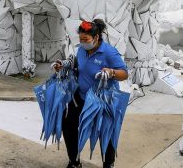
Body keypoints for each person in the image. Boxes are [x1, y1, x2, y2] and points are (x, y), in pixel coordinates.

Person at [54, 19, 128, 168]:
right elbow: (78, 64)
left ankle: (108, 164)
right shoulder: (82, 49)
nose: (82, 42)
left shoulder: (109, 52)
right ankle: (74, 162)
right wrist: (64, 65)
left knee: (105, 131)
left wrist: (111, 72)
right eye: (80, 39)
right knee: (68, 125)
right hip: (80, 98)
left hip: (102, 101)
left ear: (96, 37)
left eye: (86, 39)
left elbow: (124, 74)